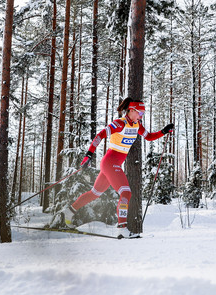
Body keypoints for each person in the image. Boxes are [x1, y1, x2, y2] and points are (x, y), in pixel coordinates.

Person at [60, 97, 174, 235]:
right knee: (126, 192)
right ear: (131, 111)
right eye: (140, 113)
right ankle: (122, 229)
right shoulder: (119, 123)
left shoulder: (137, 125)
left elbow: (149, 137)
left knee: (94, 193)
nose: (141, 116)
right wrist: (88, 155)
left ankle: (68, 212)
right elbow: (100, 136)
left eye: (143, 114)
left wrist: (164, 131)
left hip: (113, 164)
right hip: (110, 162)